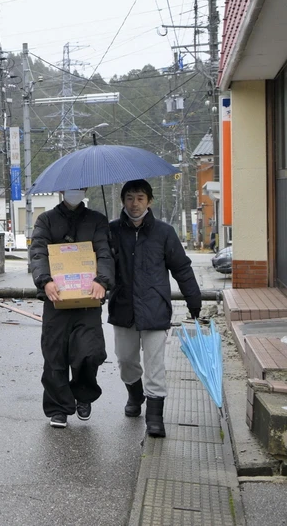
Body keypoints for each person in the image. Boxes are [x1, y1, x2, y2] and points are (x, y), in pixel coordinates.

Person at [108, 179, 202, 438]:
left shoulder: (164, 232)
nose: (134, 203)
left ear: (149, 201)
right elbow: (99, 266)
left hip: (155, 307)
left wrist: (193, 299)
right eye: (129, 198)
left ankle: (155, 417)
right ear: (122, 201)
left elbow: (181, 267)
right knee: (126, 360)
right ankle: (135, 395)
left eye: (140, 198)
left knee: (155, 364)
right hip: (123, 307)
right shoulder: (112, 231)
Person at [29, 189, 114, 429]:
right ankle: (59, 407)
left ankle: (83, 395)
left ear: (85, 190)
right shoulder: (46, 220)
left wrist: (102, 280)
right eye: (70, 188)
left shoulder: (97, 220)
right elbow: (38, 251)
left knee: (90, 352)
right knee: (55, 354)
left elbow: (105, 253)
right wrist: (45, 280)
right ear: (62, 191)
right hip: (56, 299)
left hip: (88, 299)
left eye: (79, 188)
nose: (75, 192)